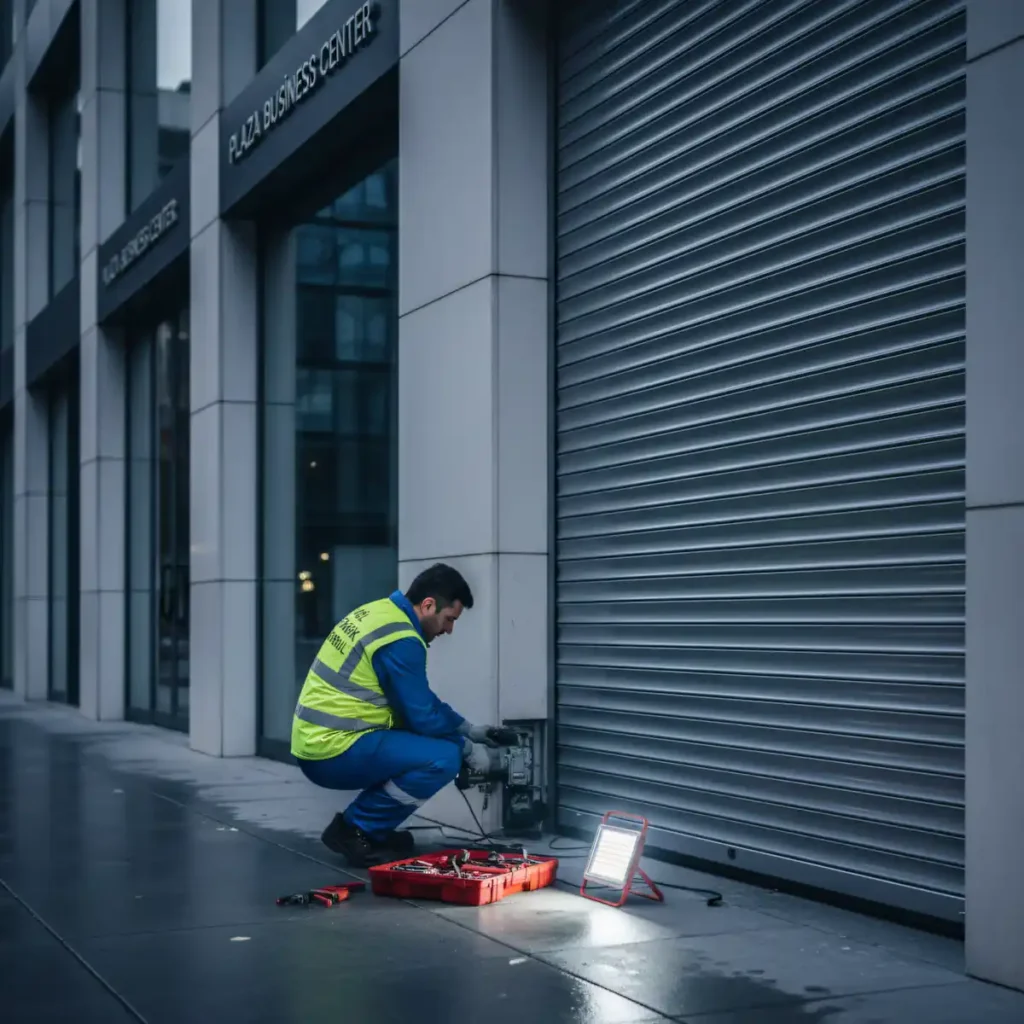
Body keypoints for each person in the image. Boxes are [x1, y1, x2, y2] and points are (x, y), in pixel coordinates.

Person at [291, 562, 508, 867]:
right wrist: (467, 749)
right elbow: (421, 715)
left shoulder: (379, 613)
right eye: (449, 619)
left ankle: (370, 830)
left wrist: (468, 729)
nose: (449, 630)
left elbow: (417, 700)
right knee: (443, 758)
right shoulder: (402, 640)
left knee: (436, 748)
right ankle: (357, 830)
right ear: (428, 605)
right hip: (332, 749)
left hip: (318, 741)